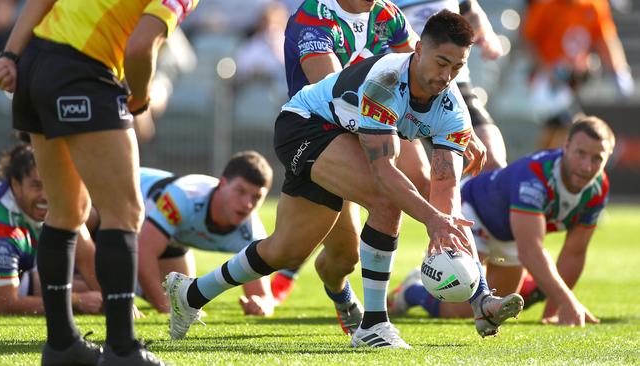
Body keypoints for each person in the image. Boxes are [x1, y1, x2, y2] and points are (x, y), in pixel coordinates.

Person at [165, 10, 522, 348]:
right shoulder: (385, 82)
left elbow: (445, 191)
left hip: (340, 135)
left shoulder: (453, 110)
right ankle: (373, 325)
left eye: (457, 67)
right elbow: (384, 173)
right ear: (418, 49)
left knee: (286, 249)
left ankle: (189, 293)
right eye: (441, 62)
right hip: (304, 125)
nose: (446, 75)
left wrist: (461, 261)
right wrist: (432, 219)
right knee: (386, 198)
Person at [0, 0, 199, 364]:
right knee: (126, 212)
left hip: (34, 64)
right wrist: (141, 96)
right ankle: (122, 349)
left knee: (68, 211)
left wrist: (10, 54)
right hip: (82, 72)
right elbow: (140, 47)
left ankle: (61, 345)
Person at [271, 0, 489, 327]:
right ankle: (355, 306)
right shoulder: (314, 15)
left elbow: (428, 65)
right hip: (325, 131)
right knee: (340, 249)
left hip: (380, 123)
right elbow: (339, 95)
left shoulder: (387, 14)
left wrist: (457, 126)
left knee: (430, 188)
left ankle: (479, 295)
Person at [388, 115, 611, 327]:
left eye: (597, 158)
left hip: (510, 235)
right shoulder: (535, 176)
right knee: (461, 311)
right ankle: (411, 291)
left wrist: (553, 312)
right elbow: (531, 250)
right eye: (580, 153)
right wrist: (568, 301)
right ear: (567, 145)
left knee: (493, 306)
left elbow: (574, 253)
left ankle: (533, 291)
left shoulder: (598, 189)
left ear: (608, 157)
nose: (586, 166)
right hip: (473, 213)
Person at [116, 151, 274, 316]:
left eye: (256, 197)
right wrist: (167, 307)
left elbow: (263, 296)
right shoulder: (186, 196)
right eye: (240, 191)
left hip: (168, 237)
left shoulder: (252, 232)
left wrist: (260, 305)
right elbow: (144, 250)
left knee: (181, 298)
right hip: (115, 195)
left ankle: (120, 285)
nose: (247, 204)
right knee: (102, 286)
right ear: (222, 184)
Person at [0, 143, 102, 315]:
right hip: (3, 284)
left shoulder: (61, 194)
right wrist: (77, 301)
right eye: (36, 185)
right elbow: (2, 304)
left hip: (22, 272)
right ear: (16, 184)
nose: (45, 196)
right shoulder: (0, 224)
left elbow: (87, 258)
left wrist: (114, 300)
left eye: (50, 184)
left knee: (82, 284)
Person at [395, 0, 507, 170]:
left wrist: (486, 34)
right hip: (400, 88)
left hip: (452, 85)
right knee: (419, 181)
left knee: (492, 162)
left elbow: (470, 10)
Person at [522, 0, 633, 149]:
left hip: (578, 79)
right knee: (562, 126)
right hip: (550, 81)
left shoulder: (594, 5)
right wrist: (546, 69)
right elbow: (528, 39)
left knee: (570, 129)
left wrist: (619, 71)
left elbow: (605, 39)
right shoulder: (545, 6)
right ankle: (541, 165)